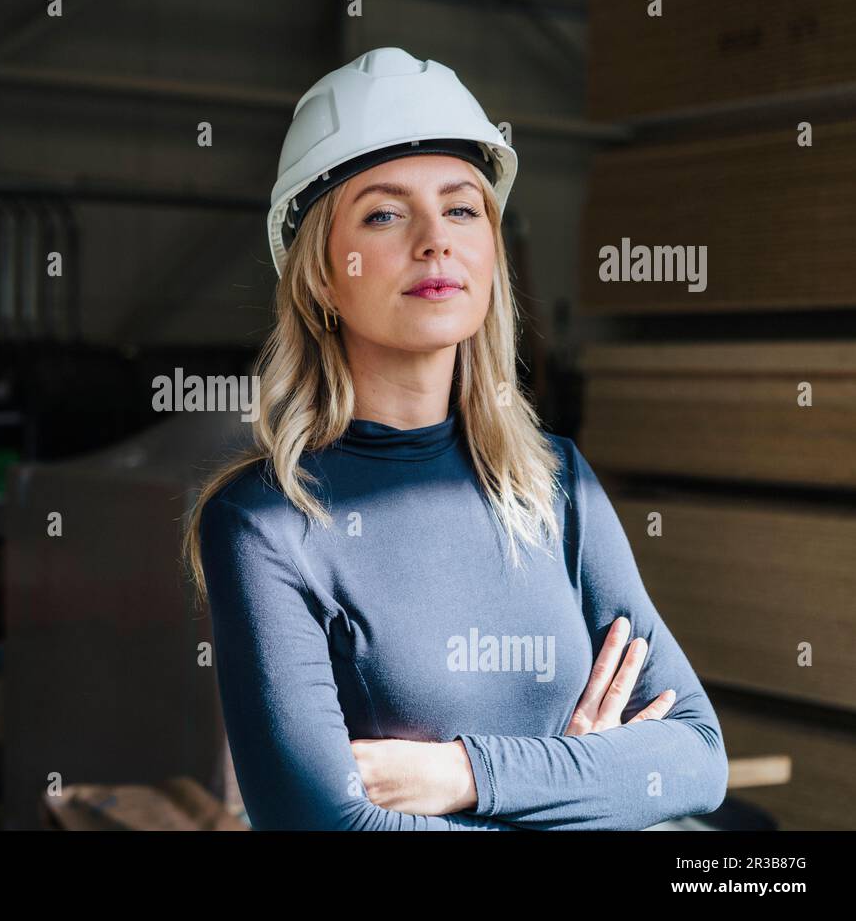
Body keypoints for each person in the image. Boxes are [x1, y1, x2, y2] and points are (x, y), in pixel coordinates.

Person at [180, 47, 729, 830]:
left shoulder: (556, 486)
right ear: (323, 278)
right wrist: (584, 782)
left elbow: (698, 756)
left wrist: (463, 772)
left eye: (462, 207)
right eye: (384, 212)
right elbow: (326, 826)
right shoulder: (266, 523)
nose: (435, 238)